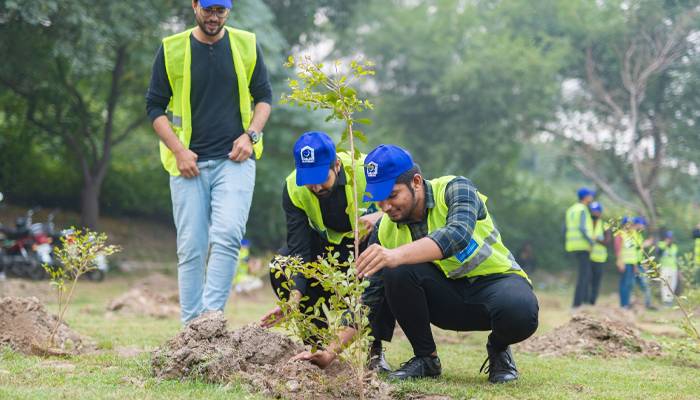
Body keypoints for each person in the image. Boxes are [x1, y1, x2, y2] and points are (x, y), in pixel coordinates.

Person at [292, 144, 539, 384]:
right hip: (447, 303)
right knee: (394, 272)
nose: (386, 207)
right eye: (379, 200)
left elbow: (457, 234)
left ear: (417, 182)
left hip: (496, 285)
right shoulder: (385, 229)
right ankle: (426, 359)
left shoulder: (456, 188)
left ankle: (497, 348)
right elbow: (369, 298)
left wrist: (396, 254)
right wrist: (330, 353)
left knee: (521, 311)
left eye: (392, 195)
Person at [146, 0, 272, 323]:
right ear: (194, 5)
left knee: (229, 233)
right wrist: (178, 151)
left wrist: (251, 136)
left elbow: (264, 99)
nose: (214, 17)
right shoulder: (171, 49)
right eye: (208, 10)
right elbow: (154, 108)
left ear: (228, 11)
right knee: (192, 247)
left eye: (221, 11)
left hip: (235, 160)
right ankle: (191, 329)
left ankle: (210, 321)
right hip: (189, 164)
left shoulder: (246, 44)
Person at [259, 132, 394, 373]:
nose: (316, 186)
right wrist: (294, 298)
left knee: (380, 263)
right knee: (281, 265)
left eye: (322, 178)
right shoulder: (294, 187)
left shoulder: (365, 170)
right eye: (309, 179)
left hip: (365, 246)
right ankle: (315, 344)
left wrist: (379, 215)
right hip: (326, 250)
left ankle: (375, 351)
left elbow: (404, 203)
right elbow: (300, 249)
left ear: (337, 165)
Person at [565, 187, 595, 308]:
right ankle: (577, 304)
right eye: (590, 195)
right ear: (585, 197)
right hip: (582, 245)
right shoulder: (582, 209)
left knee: (584, 274)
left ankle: (582, 302)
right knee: (584, 275)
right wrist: (591, 242)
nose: (591, 197)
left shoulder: (571, 209)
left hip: (573, 245)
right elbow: (582, 228)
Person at [615, 216, 654, 310]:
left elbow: (633, 251)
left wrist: (635, 265)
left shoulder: (631, 234)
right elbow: (618, 249)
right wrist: (620, 261)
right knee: (625, 283)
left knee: (629, 284)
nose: (631, 226)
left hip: (632, 263)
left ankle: (626, 304)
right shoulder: (621, 234)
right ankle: (623, 305)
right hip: (625, 262)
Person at [588, 201, 610, 305]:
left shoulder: (604, 225)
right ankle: (585, 301)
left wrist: (597, 240)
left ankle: (592, 302)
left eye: (596, 211)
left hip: (600, 258)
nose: (594, 213)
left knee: (596, 282)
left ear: (600, 213)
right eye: (592, 211)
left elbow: (607, 241)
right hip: (588, 257)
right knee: (587, 281)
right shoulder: (587, 223)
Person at [657, 231, 679, 307]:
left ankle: (670, 300)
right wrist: (664, 245)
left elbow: (676, 258)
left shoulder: (674, 246)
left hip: (673, 267)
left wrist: (679, 269)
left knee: (672, 284)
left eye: (670, 238)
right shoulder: (661, 244)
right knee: (664, 283)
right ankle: (665, 300)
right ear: (665, 238)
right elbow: (658, 253)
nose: (669, 239)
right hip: (664, 267)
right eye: (668, 238)